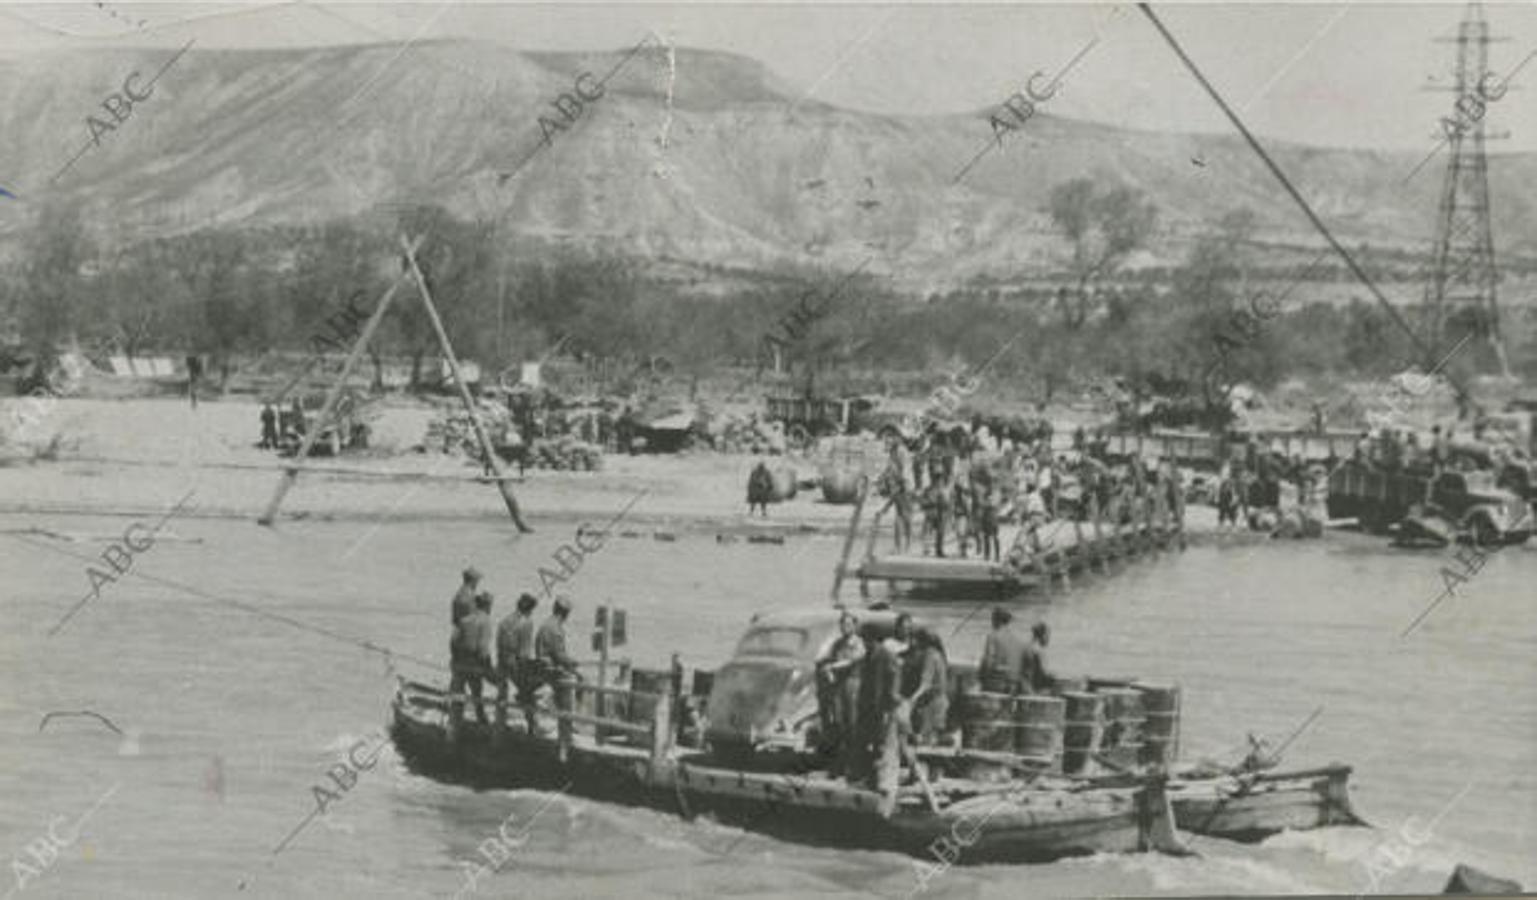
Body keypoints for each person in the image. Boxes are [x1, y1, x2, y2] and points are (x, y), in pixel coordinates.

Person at [814, 610, 866, 777]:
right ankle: (838, 764)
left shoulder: (858, 643)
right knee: (838, 722)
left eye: (849, 624)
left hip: (852, 684)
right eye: (843, 624)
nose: (845, 628)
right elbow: (826, 657)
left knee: (852, 724)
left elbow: (852, 661)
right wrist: (826, 669)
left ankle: (854, 765)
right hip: (838, 685)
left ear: (855, 626)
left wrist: (833, 667)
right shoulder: (837, 644)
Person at [449, 592, 495, 725]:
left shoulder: (464, 619)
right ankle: (482, 721)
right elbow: (483, 649)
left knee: (458, 695)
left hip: (459, 664)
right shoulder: (485, 621)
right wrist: (488, 669)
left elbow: (453, 642)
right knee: (477, 694)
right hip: (474, 666)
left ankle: (454, 721)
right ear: (487, 606)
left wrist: (456, 659)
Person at [496, 593, 539, 730]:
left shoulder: (505, 620)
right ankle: (532, 724)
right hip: (514, 666)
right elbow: (523, 654)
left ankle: (500, 720)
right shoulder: (527, 623)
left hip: (501, 663)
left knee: (505, 694)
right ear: (530, 609)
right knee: (531, 688)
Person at [536, 596, 581, 713]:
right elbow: (559, 656)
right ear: (565, 613)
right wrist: (572, 662)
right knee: (580, 679)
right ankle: (570, 717)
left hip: (542, 667)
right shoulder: (555, 628)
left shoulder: (546, 624)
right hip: (550, 669)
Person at [904, 629, 949, 746]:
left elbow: (925, 684)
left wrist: (912, 700)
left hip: (932, 705)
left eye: (914, 640)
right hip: (940, 702)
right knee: (930, 740)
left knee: (925, 741)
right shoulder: (939, 655)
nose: (911, 643)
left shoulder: (929, 656)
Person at [978, 607, 1029, 694]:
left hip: (998, 686)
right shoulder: (1019, 640)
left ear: (996, 620)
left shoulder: (992, 637)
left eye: (992, 619)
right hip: (1015, 686)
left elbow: (989, 663)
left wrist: (980, 676)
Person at [1021, 622, 1056, 693]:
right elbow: (1044, 672)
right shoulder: (1039, 651)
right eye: (1048, 635)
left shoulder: (1027, 647)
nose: (1049, 639)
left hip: (1026, 687)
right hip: (1036, 689)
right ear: (1042, 635)